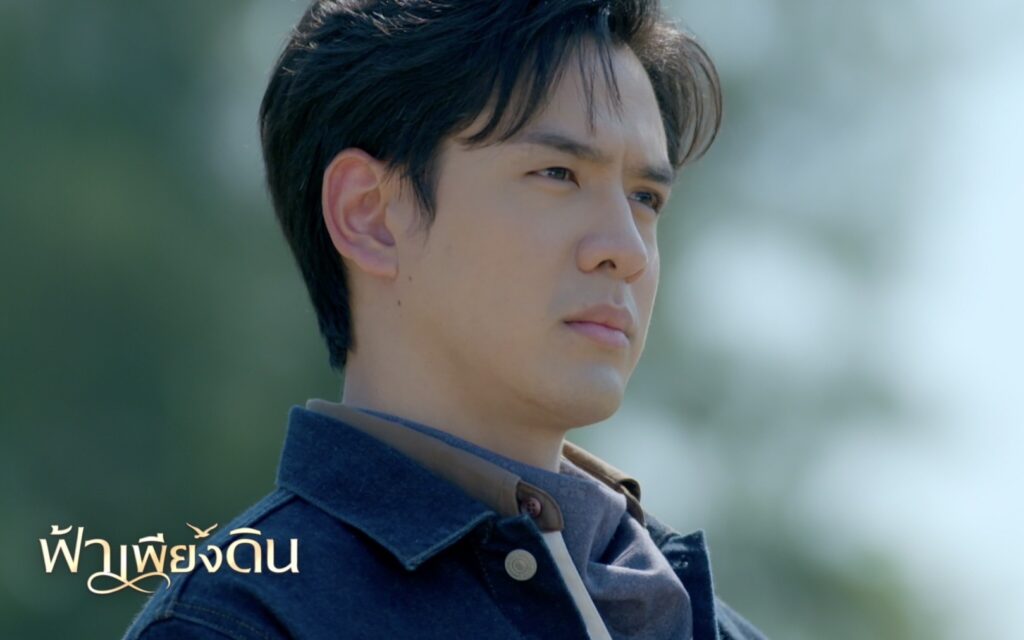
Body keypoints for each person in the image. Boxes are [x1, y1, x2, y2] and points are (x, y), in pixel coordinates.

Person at [122, 0, 767, 638]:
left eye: (646, 197)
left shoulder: (702, 623)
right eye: (558, 173)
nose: (627, 250)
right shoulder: (237, 625)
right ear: (370, 214)